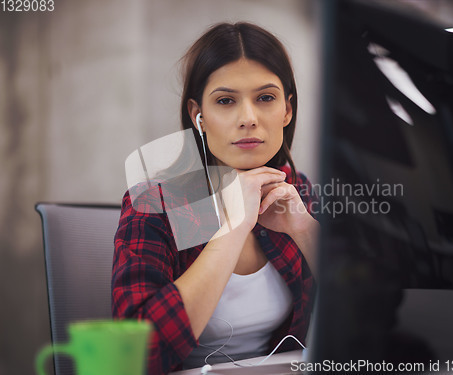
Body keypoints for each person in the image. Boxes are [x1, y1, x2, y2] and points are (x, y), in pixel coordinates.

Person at [112, 22, 320, 374]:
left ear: (287, 110)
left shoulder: (297, 190)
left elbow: (374, 319)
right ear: (200, 117)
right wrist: (232, 228)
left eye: (265, 98)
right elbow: (133, 356)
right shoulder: (155, 204)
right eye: (225, 101)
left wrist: (305, 230)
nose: (248, 119)